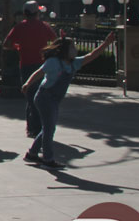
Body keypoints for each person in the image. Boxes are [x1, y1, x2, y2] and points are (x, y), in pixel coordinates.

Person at [23, 33, 115, 168]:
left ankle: (32, 154)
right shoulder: (53, 62)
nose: (75, 49)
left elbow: (92, 56)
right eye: (72, 47)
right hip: (44, 97)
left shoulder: (74, 63)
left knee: (48, 128)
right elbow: (39, 73)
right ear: (65, 50)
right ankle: (47, 160)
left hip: (54, 99)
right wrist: (27, 84)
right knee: (49, 128)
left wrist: (106, 44)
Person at [2, 1, 57, 137]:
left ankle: (31, 127)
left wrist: (18, 47)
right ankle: (37, 127)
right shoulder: (44, 26)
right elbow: (56, 42)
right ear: (37, 13)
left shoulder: (20, 27)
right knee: (40, 96)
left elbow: (6, 44)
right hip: (42, 66)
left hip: (25, 65)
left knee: (30, 96)